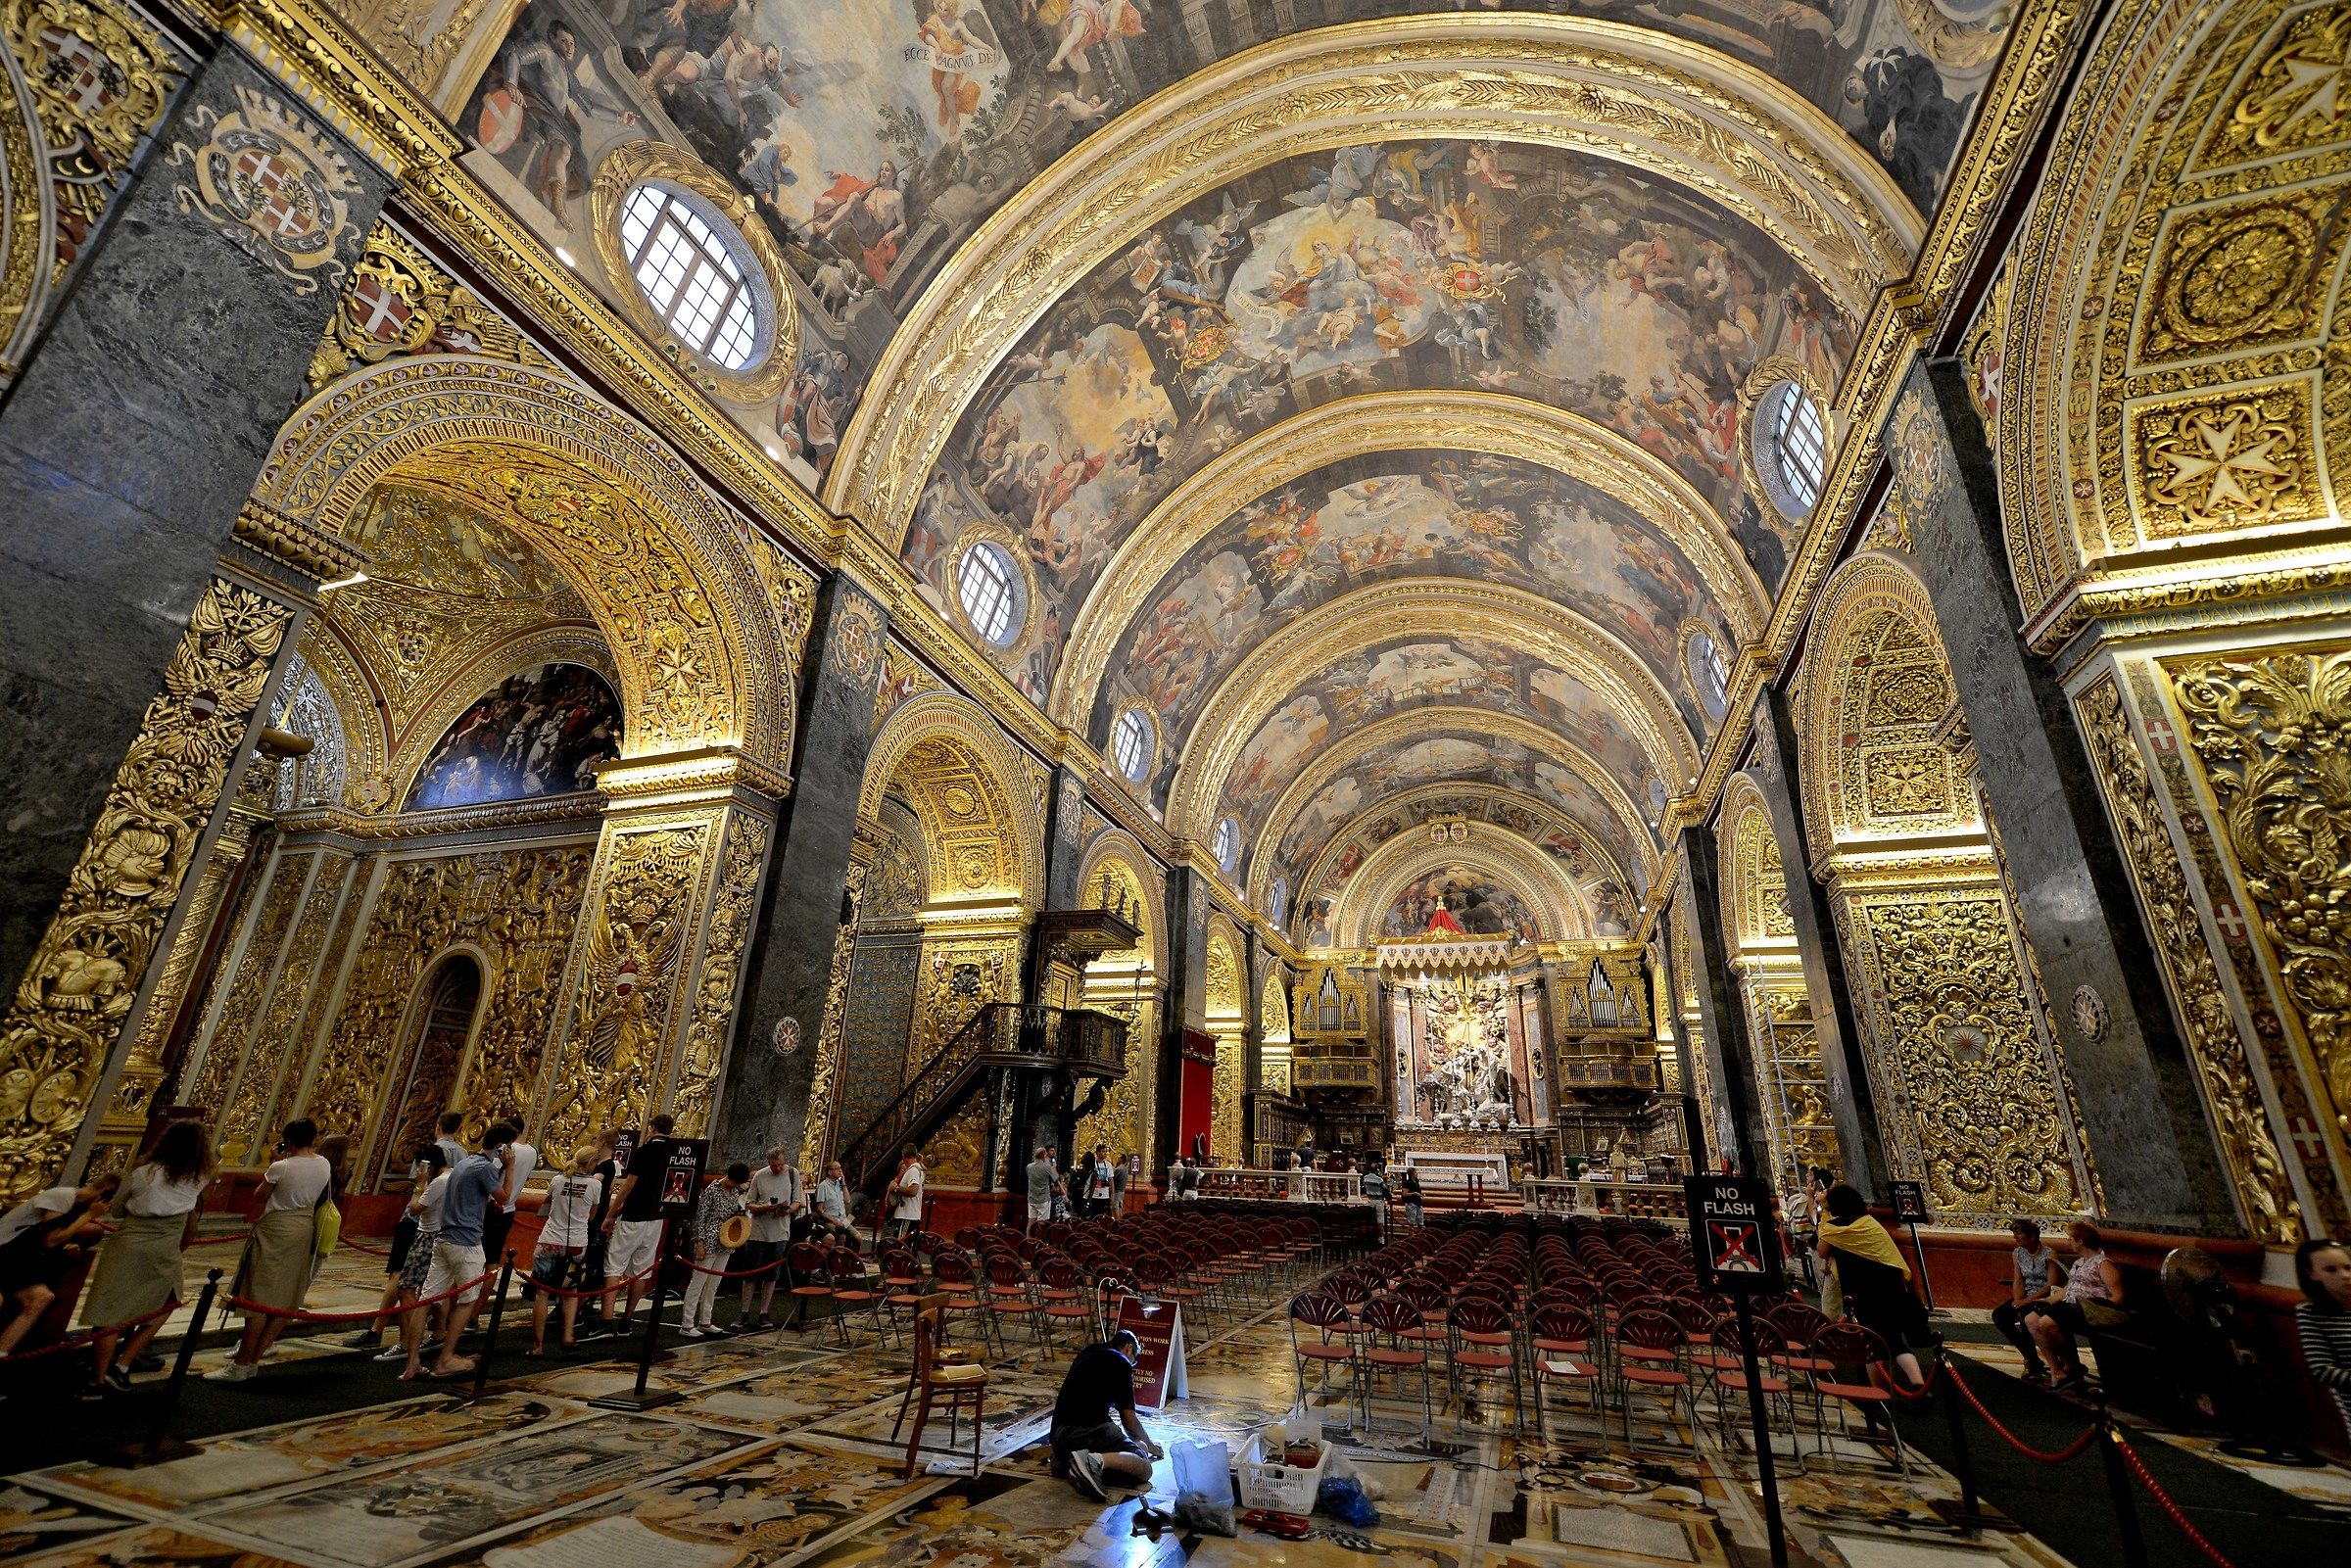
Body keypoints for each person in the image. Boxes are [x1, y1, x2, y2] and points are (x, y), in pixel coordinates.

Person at [81, 1121, 212, 1396]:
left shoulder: (142, 1173)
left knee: (109, 1308)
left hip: (128, 1244)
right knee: (165, 1304)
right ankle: (125, 1363)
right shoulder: (199, 1176)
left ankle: (99, 1377)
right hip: (164, 1248)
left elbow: (116, 1211)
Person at [210, 1119, 333, 1381]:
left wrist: (273, 1164)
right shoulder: (324, 1164)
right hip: (303, 1228)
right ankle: (253, 1359)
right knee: (286, 1297)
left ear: (287, 1140)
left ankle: (242, 1363)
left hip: (276, 1228)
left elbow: (259, 1195)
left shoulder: (281, 1166)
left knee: (257, 1297)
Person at [415, 1121, 513, 1379]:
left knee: (426, 1300)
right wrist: (510, 1167)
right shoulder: (483, 1168)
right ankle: (446, 1358)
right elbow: (505, 1197)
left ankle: (412, 1362)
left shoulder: (464, 1163)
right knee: (467, 1300)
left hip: (443, 1238)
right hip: (466, 1242)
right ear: (502, 1147)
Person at [1816, 1183, 1933, 1391]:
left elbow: (1823, 1251)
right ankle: (1918, 1383)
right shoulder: (1869, 1223)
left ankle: (1877, 1391)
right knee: (1895, 1340)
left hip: (1861, 1290)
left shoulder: (1835, 1228)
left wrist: (1824, 1220)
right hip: (1890, 1286)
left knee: (1869, 1342)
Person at [0, 1173, 117, 1357]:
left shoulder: (75, 1203)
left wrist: (68, 1243)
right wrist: (88, 1215)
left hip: (21, 1259)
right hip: (5, 1252)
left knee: (43, 1297)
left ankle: (2, 1352)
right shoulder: (63, 1196)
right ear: (100, 1198)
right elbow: (50, 1239)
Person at [1049, 1327, 1163, 1501]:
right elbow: (1129, 1421)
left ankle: (1069, 1463)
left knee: (1139, 1448)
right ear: (1129, 1348)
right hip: (1088, 1430)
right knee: (1143, 1465)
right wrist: (1152, 1446)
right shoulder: (1121, 1362)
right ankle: (1092, 1462)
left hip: (1059, 1436)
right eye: (1134, 1360)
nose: (1133, 1364)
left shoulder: (1089, 1351)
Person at [348, 1143, 440, 1353]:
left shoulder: (431, 1162)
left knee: (401, 1280)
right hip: (431, 1229)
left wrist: (419, 1185)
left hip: (416, 1224)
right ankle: (420, 1335)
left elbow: (416, 1206)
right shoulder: (456, 1157)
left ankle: (388, 1333)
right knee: (416, 1285)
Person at [2025, 1219, 2127, 1394]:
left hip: (2089, 1308)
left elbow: (2118, 1294)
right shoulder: (2080, 1263)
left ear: (2080, 1241)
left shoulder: (2103, 1264)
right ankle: (2057, 1370)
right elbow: (2067, 1289)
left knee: (2047, 1324)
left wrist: (2104, 1311)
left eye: (2070, 1239)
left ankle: (2072, 1366)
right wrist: (2048, 1301)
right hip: (2071, 1305)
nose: (2068, 1242)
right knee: (2031, 1319)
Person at [529, 1144, 603, 1354]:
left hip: (550, 1240)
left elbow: (547, 1205)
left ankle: (537, 1345)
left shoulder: (557, 1180)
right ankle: (568, 1335)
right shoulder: (595, 1186)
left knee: (542, 1294)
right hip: (576, 1243)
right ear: (590, 1164)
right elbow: (591, 1216)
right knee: (571, 1292)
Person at [602, 1114, 674, 1328]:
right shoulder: (674, 1152)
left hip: (634, 1213)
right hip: (656, 1217)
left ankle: (606, 1320)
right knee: (642, 1268)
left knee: (614, 1266)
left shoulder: (645, 1150)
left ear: (652, 1128)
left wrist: (611, 1213)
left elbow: (628, 1185)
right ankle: (627, 1319)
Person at [394, 1150, 453, 1376]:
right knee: (437, 1291)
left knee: (406, 1288)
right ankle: (439, 1332)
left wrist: (419, 1185)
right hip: (443, 1233)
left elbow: (415, 1209)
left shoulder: (438, 1182)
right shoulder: (453, 1175)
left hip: (427, 1235)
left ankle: (408, 1343)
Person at [681, 1162, 748, 1337]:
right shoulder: (712, 1190)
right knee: (698, 1282)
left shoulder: (734, 1192)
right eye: (734, 1181)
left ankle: (705, 1320)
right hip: (709, 1239)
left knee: (713, 1284)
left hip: (726, 1240)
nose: (734, 1185)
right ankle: (687, 1324)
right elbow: (700, 1217)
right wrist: (699, 1242)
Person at [739, 1147, 802, 1327]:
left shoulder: (792, 1173)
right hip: (759, 1231)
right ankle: (744, 1312)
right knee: (751, 1273)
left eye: (781, 1164)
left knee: (772, 1274)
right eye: (774, 1166)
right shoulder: (760, 1175)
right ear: (769, 1163)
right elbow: (749, 1204)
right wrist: (766, 1207)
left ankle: (764, 1312)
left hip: (780, 1230)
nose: (778, 1169)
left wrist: (788, 1210)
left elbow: (797, 1200)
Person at [1991, 1218, 2060, 1384]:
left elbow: (2052, 1285)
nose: (2016, 1237)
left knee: (2027, 1320)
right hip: (2025, 1295)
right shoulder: (2018, 1253)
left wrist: (2027, 1301)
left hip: (2043, 1297)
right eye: (2015, 1233)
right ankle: (2030, 1357)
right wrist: (2017, 1302)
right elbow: (2018, 1280)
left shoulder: (2050, 1254)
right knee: (2000, 1316)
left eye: (2020, 1233)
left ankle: (2035, 1366)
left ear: (2033, 1236)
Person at [2293, 1238, 2351, 1433]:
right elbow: (2322, 1368)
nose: (2345, 1276)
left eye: (2348, 1268)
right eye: (2331, 1270)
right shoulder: (2311, 1312)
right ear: (2311, 1274)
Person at [578, 1129, 622, 1337]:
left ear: (602, 1142)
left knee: (586, 1265)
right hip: (594, 1218)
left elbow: (594, 1181)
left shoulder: (605, 1166)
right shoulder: (610, 1165)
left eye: (595, 1139)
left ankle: (579, 1305)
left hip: (592, 1221)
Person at [482, 1116, 536, 1267]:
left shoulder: (505, 1149)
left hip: (493, 1205)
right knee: (493, 1258)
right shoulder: (532, 1152)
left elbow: (491, 1173)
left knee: (476, 1256)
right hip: (509, 1209)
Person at [812, 1160, 857, 1246]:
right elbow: (819, 1209)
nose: (840, 1171)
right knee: (842, 1235)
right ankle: (836, 1256)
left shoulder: (838, 1185)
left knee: (858, 1237)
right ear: (830, 1172)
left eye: (841, 1168)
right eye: (837, 1168)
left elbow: (848, 1201)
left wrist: (843, 1183)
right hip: (831, 1220)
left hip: (844, 1220)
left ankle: (853, 1258)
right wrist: (835, 1222)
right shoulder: (823, 1186)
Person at [887, 1152, 924, 1241]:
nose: (904, 1172)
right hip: (893, 1215)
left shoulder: (914, 1171)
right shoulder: (895, 1181)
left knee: (901, 1245)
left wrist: (896, 1188)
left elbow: (913, 1191)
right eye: (902, 1170)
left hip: (906, 1216)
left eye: (905, 1170)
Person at [1026, 1148, 1056, 1232]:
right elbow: (1054, 1179)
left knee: (1031, 1222)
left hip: (1032, 1198)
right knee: (1041, 1223)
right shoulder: (1047, 1167)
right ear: (1044, 1156)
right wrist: (1053, 1169)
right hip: (1043, 1199)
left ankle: (1028, 1240)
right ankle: (1039, 1241)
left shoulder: (1029, 1167)